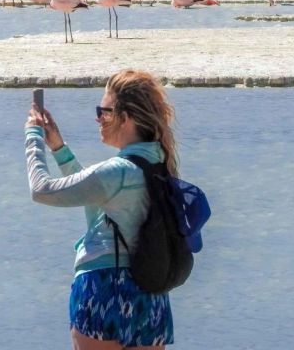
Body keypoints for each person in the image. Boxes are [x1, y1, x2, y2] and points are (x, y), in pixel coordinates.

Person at [25, 69, 180, 350]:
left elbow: (41, 189)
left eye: (103, 111)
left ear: (126, 117)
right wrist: (59, 149)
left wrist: (33, 137)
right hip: (150, 292)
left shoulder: (117, 171)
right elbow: (97, 196)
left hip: (104, 289)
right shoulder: (159, 165)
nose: (98, 118)